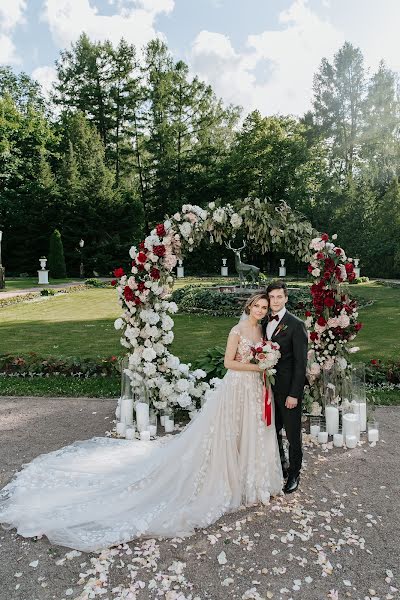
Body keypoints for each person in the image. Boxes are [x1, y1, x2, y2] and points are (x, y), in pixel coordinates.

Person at [0, 293, 283, 552]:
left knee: (250, 432)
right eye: (256, 306)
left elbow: (262, 356)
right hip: (237, 387)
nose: (259, 310)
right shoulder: (238, 330)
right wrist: (259, 365)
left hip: (256, 389)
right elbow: (229, 362)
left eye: (263, 307)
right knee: (227, 433)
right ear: (248, 307)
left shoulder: (262, 329)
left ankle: (251, 478)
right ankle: (228, 477)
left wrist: (265, 365)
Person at [263, 281, 308, 494]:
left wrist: (294, 394)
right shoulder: (264, 322)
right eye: (272, 297)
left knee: (292, 435)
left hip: (288, 391)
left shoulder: (296, 324)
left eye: (279, 297)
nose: (275, 301)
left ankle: (294, 473)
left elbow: (301, 364)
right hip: (268, 389)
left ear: (286, 298)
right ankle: (280, 466)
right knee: (273, 432)